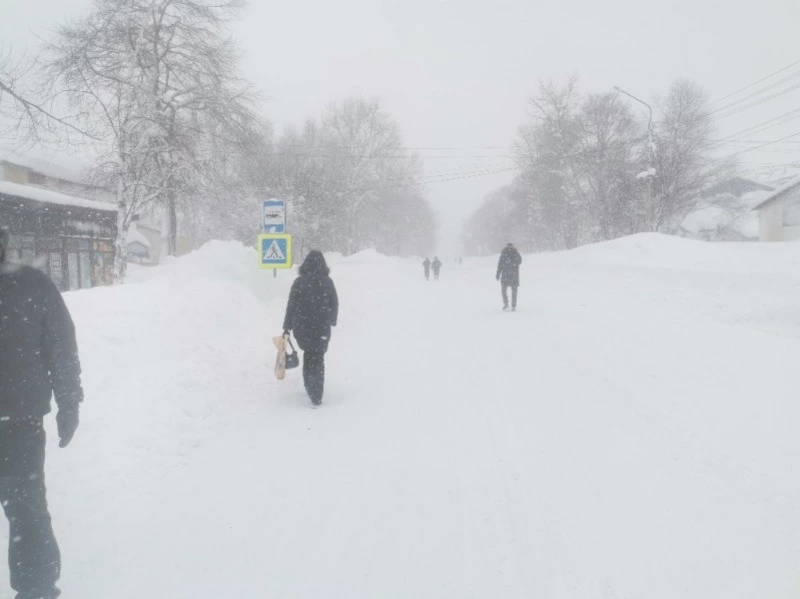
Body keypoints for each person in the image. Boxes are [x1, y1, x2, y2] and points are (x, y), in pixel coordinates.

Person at [0, 228, 83, 599]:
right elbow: (61, 348)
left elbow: (61, 346)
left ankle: (36, 588)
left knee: (27, 509)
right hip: (19, 422)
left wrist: (70, 402)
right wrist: (68, 403)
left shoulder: (32, 285)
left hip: (18, 421)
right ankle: (36, 587)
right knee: (27, 508)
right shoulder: (33, 285)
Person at [283, 251, 339, 407]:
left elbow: (291, 305)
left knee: (309, 355)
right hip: (321, 327)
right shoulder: (327, 282)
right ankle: (316, 393)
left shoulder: (299, 282)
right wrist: (332, 320)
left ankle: (309, 385)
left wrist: (287, 326)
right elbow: (334, 303)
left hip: (303, 327)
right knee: (318, 357)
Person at [496, 242, 523, 311]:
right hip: (508, 274)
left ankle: (512, 305)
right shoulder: (504, 254)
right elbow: (500, 265)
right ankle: (506, 304)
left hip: (512, 274)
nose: (509, 248)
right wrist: (498, 274)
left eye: (510, 247)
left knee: (512, 291)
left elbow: (520, 261)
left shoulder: (515, 253)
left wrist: (513, 263)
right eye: (508, 247)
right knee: (505, 290)